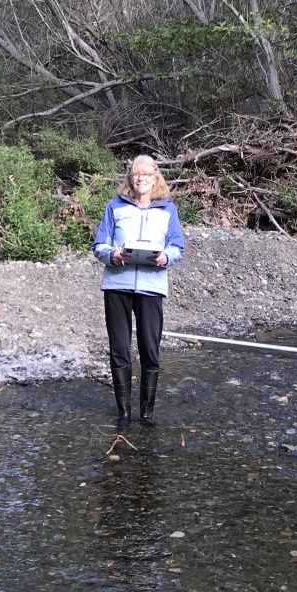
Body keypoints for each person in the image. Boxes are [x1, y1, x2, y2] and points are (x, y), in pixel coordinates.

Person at [92, 155, 185, 427]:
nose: (141, 178)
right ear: (130, 179)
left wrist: (165, 258)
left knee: (150, 350)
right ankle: (123, 414)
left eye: (146, 174)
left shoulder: (169, 209)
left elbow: (177, 247)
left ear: (156, 177)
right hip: (117, 286)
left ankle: (146, 415)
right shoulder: (115, 206)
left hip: (151, 287)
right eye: (136, 174)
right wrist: (114, 255)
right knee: (119, 350)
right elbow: (99, 245)